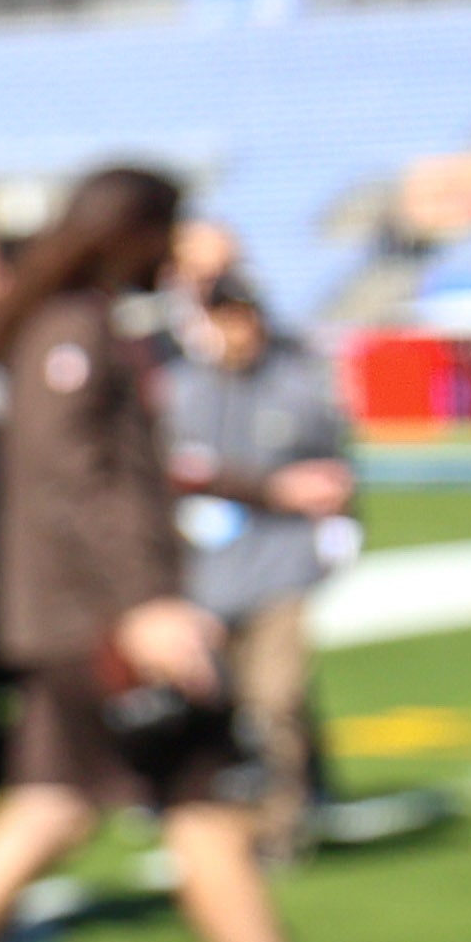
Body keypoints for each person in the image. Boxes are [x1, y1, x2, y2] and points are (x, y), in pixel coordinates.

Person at [0, 167, 435, 942]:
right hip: (100, 625)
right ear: (129, 235)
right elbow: (75, 484)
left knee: (50, 804)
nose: (176, 258)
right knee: (201, 807)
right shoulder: (71, 334)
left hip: (82, 619)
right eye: (168, 236)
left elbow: (141, 469)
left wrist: (263, 492)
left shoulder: (78, 330)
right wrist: (144, 608)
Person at [167, 275, 349, 872]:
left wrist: (333, 530)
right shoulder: (179, 392)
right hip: (202, 576)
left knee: (275, 700)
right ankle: (215, 823)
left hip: (278, 567)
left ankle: (280, 828)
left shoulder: (296, 387)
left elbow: (335, 474)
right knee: (213, 709)